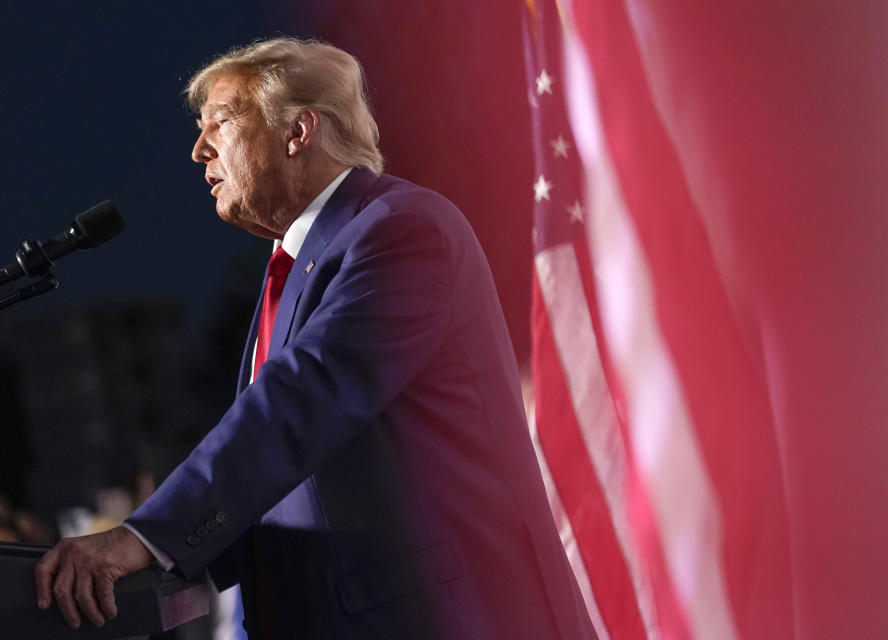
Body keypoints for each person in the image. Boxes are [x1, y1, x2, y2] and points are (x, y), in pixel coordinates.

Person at [35, 37, 596, 640]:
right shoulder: (294, 269)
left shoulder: (402, 230)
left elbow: (301, 402)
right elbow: (294, 482)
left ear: (298, 132)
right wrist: (166, 566)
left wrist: (146, 537)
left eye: (220, 123)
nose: (199, 150)